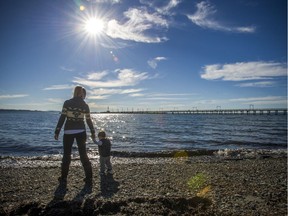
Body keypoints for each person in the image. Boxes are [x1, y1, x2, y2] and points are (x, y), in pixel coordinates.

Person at [54, 85, 96, 183]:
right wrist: (93, 132)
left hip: (68, 131)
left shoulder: (67, 103)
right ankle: (89, 177)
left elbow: (62, 117)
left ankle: (64, 177)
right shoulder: (85, 105)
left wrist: (57, 131)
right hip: (81, 131)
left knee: (67, 155)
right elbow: (89, 120)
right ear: (82, 93)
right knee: (83, 154)